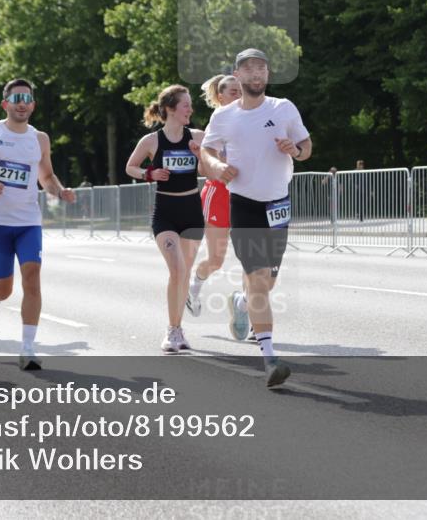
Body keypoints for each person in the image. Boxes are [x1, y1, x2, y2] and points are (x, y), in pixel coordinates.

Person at [200, 48, 312, 388]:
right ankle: (270, 359)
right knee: (260, 279)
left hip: (278, 205)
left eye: (261, 68)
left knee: (267, 283)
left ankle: (240, 301)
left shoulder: (283, 108)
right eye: (249, 69)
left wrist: (295, 150)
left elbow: (307, 146)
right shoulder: (224, 117)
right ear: (237, 74)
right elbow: (206, 151)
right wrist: (218, 166)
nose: (256, 74)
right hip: (244, 203)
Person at [0, 79, 75, 370]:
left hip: (28, 221)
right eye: (16, 98)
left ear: (33, 105)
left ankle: (28, 347)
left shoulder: (40, 139)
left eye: (26, 98)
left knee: (32, 277)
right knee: (4, 288)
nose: (22, 103)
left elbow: (46, 177)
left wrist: (59, 191)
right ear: (6, 104)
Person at [125, 85, 206, 353]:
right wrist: (150, 174)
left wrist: (199, 156)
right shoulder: (152, 141)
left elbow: (209, 171)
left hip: (192, 210)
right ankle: (173, 331)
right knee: (178, 270)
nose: (190, 110)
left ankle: (178, 325)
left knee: (184, 275)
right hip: (166, 213)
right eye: (186, 105)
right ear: (170, 108)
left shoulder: (197, 136)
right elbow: (130, 167)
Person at [188, 75, 242, 331]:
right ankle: (193, 288)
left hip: (247, 194)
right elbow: (204, 168)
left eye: (241, 91)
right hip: (220, 194)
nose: (239, 96)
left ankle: (249, 315)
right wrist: (221, 166)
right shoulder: (217, 123)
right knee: (217, 260)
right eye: (233, 92)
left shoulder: (252, 119)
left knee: (252, 258)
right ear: (221, 97)